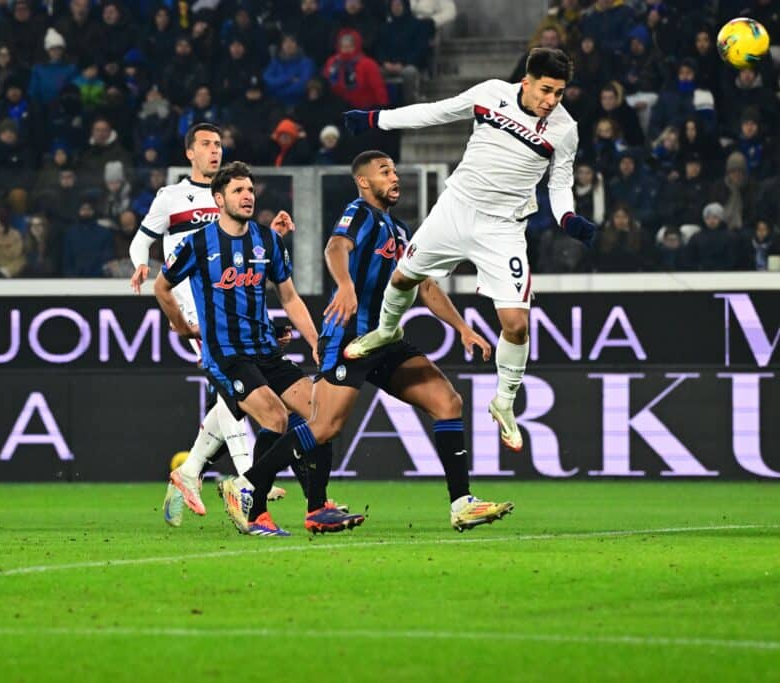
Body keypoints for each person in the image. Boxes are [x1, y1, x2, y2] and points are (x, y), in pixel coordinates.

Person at [230, 150, 510, 533]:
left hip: (387, 340)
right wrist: (345, 285)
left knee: (447, 402)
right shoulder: (359, 212)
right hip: (349, 334)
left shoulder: (400, 231)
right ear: (364, 182)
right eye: (384, 171)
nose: (394, 177)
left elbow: (424, 285)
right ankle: (248, 483)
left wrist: (461, 327)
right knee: (324, 427)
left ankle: (462, 503)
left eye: (395, 170)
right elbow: (335, 247)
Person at [339, 48, 597, 452]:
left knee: (516, 324)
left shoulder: (564, 129)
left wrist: (568, 219)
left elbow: (559, 183)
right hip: (456, 209)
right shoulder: (491, 93)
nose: (551, 101)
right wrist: (377, 118)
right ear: (526, 81)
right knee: (404, 277)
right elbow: (436, 112)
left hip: (504, 228)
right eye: (546, 90)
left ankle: (504, 403)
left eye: (560, 94)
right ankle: (386, 331)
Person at [156, 161, 364, 537]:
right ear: (219, 199)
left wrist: (317, 341)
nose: (247, 196)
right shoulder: (199, 243)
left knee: (322, 413)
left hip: (266, 351)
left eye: (250, 190)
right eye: (238, 191)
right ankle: (256, 513)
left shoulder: (267, 240)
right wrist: (182, 325)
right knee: (275, 418)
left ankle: (316, 508)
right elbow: (162, 286)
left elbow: (289, 297)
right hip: (227, 355)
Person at [128, 124, 294, 527]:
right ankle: (247, 478)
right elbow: (141, 239)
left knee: (231, 391)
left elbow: (241, 246)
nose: (215, 150)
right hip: (194, 310)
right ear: (190, 153)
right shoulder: (171, 197)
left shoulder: (234, 194)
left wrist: (272, 236)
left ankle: (190, 472)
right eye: (206, 144)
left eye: (219, 143)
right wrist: (140, 263)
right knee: (234, 387)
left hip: (231, 308)